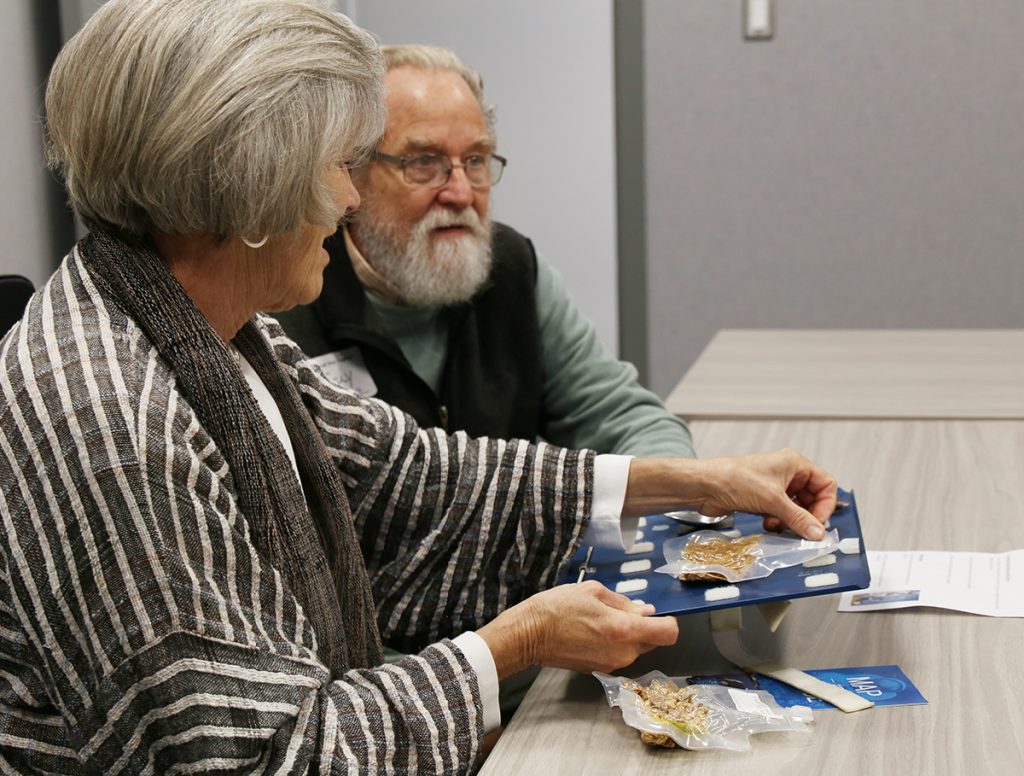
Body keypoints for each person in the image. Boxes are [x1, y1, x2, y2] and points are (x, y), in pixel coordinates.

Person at [0, 1, 837, 772]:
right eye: (335, 166)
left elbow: (408, 477)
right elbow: (261, 758)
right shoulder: (113, 424)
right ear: (247, 182)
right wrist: (514, 645)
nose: (345, 198)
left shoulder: (216, 330)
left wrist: (698, 483)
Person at [275, 44, 696, 459]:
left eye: (475, 160)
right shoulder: (292, 289)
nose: (460, 193)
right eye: (423, 162)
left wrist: (680, 482)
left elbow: (627, 418)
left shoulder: (511, 268)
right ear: (354, 171)